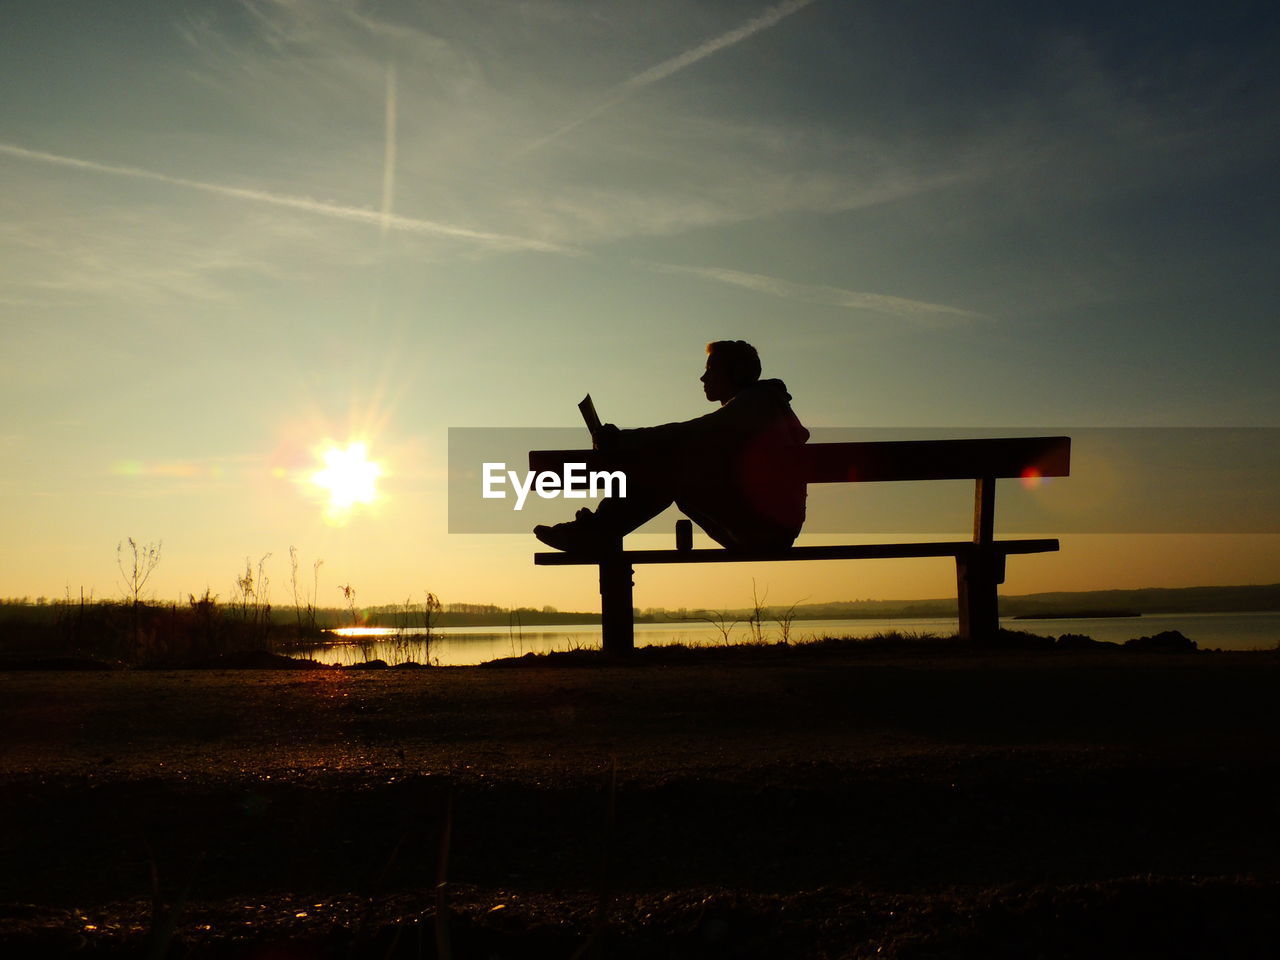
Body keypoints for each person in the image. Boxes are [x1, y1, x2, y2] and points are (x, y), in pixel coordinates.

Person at [534, 340, 809, 553]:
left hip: (763, 531)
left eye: (711, 370)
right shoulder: (759, 406)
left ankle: (594, 532)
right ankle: (596, 531)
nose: (703, 378)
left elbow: (690, 433)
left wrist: (624, 441)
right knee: (667, 465)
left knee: (666, 468)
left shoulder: (755, 405)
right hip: (763, 527)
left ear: (735, 373)